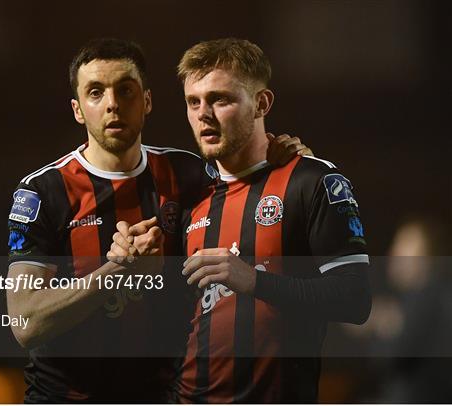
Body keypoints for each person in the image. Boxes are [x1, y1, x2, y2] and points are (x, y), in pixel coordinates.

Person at [6, 38, 310, 403]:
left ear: (147, 101)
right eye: (96, 92)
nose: (113, 104)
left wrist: (289, 158)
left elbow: (250, 183)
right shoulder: (43, 191)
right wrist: (117, 271)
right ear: (77, 109)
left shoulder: (187, 174)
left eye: (126, 90)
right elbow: (25, 323)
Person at [109, 38, 372, 403]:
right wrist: (133, 266)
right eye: (193, 101)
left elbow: (355, 300)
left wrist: (253, 280)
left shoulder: (312, 182)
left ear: (261, 103)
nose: (203, 113)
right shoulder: (189, 197)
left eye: (221, 99)